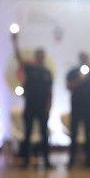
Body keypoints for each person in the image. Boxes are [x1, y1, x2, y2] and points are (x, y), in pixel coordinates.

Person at [11, 31, 53, 169]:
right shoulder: (30, 68)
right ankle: (25, 161)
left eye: (42, 55)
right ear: (36, 57)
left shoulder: (47, 73)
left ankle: (46, 161)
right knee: (27, 133)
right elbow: (18, 58)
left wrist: (48, 108)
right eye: (39, 55)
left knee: (44, 134)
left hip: (42, 107)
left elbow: (50, 92)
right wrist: (14, 42)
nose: (40, 57)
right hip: (30, 105)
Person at [66, 52, 90, 169]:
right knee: (74, 134)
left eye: (86, 57)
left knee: (88, 134)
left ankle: (89, 160)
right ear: (79, 59)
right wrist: (80, 78)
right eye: (82, 58)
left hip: (89, 107)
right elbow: (69, 87)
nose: (84, 59)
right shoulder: (73, 72)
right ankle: (71, 160)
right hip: (76, 106)